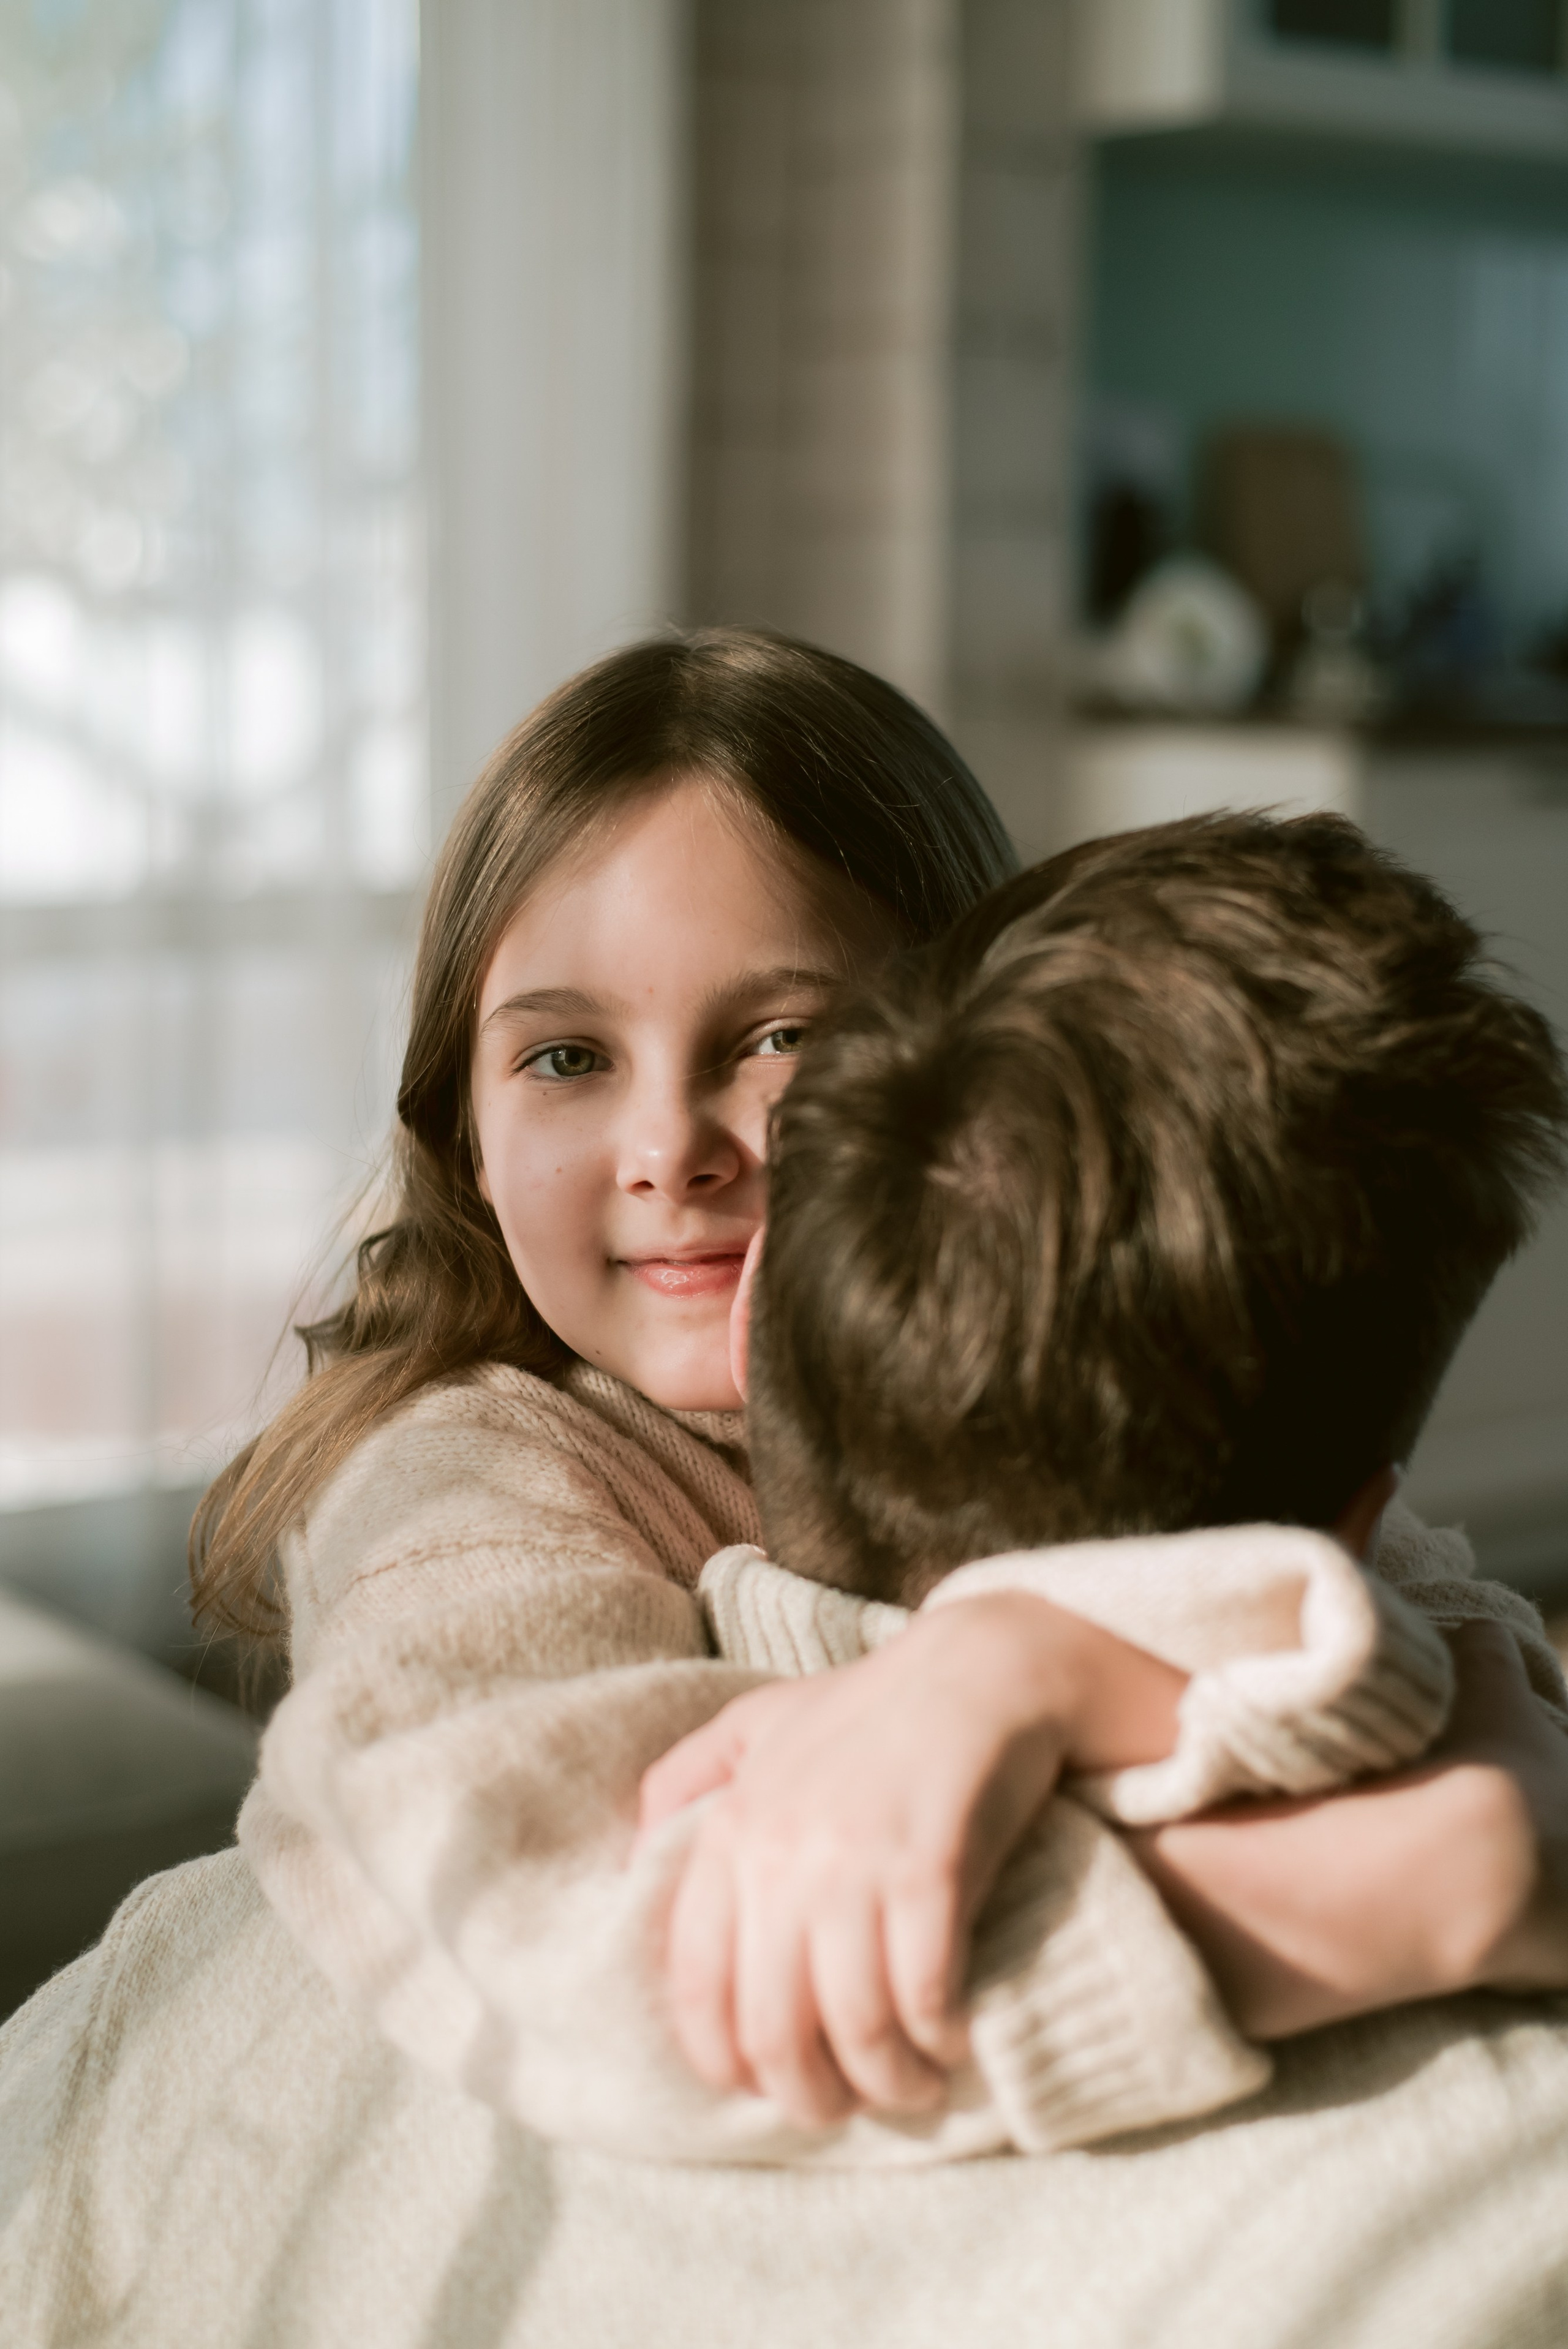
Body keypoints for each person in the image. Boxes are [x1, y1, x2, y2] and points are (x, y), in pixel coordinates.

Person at [647, 810, 1568, 2117]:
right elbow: (1425, 1623)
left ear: (744, 1317)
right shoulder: (1447, 1720)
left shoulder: (624, 1778)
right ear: (1362, 1526)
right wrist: (1455, 1872)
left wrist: (1024, 1651)